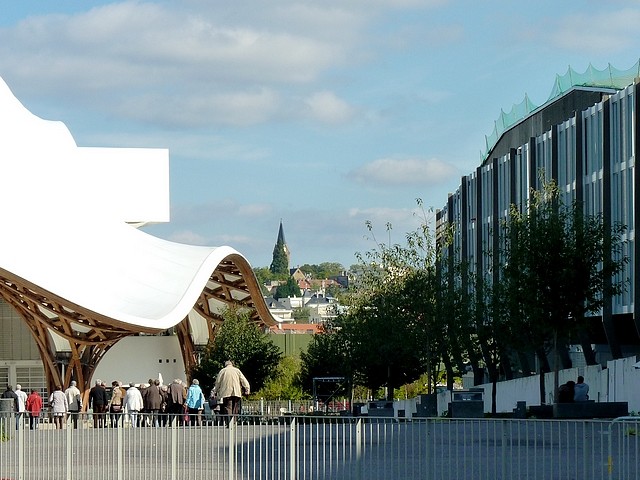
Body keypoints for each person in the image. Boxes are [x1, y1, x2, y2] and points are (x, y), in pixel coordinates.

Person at [214, 360, 250, 427]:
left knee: (228, 407)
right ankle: (234, 422)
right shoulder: (237, 370)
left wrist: (215, 391)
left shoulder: (222, 371)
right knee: (235, 407)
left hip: (226, 392)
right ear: (232, 364)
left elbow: (218, 382)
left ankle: (229, 422)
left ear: (225, 365)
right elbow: (243, 380)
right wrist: (247, 388)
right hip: (236, 392)